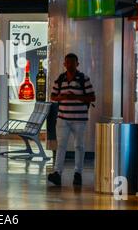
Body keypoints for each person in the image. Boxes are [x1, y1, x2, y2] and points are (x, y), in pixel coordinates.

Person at [47, 53, 96, 187]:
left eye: (72, 62)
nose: (70, 65)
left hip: (79, 119)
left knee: (79, 146)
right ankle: (57, 173)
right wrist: (62, 97)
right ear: (64, 64)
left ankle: (78, 174)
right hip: (63, 118)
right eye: (67, 62)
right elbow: (53, 96)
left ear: (77, 64)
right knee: (61, 146)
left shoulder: (83, 79)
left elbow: (92, 97)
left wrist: (76, 97)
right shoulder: (60, 79)